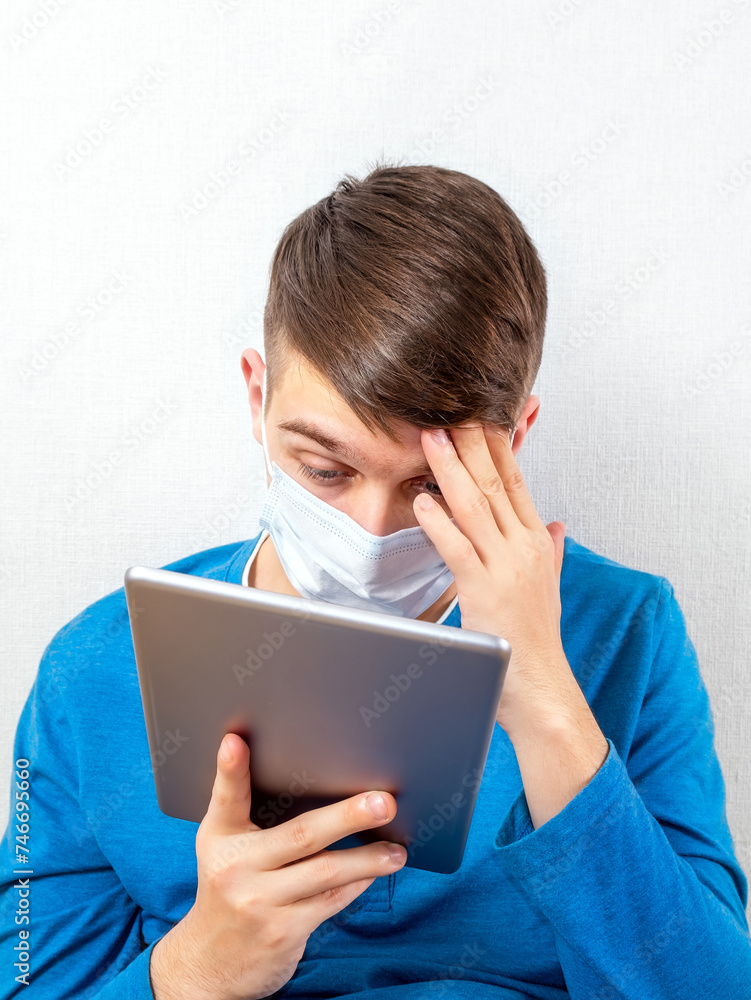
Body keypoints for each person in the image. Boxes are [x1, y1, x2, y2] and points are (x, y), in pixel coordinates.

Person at [1, 163, 749, 1000]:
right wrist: (195, 968)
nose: (368, 534)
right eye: (324, 468)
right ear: (257, 397)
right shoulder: (93, 669)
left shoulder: (626, 634)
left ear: (515, 437)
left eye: (429, 485)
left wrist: (543, 699)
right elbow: (30, 976)